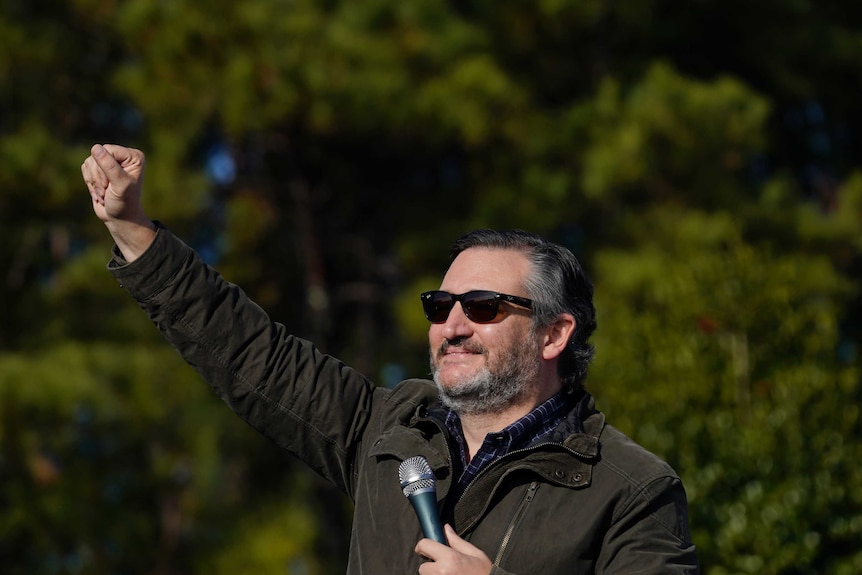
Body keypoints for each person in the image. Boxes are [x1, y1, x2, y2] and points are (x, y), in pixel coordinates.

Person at [81, 143, 699, 574]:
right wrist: (135, 230)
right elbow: (251, 353)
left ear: (553, 334)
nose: (452, 326)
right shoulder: (389, 432)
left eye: (483, 306)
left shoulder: (631, 488)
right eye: (440, 304)